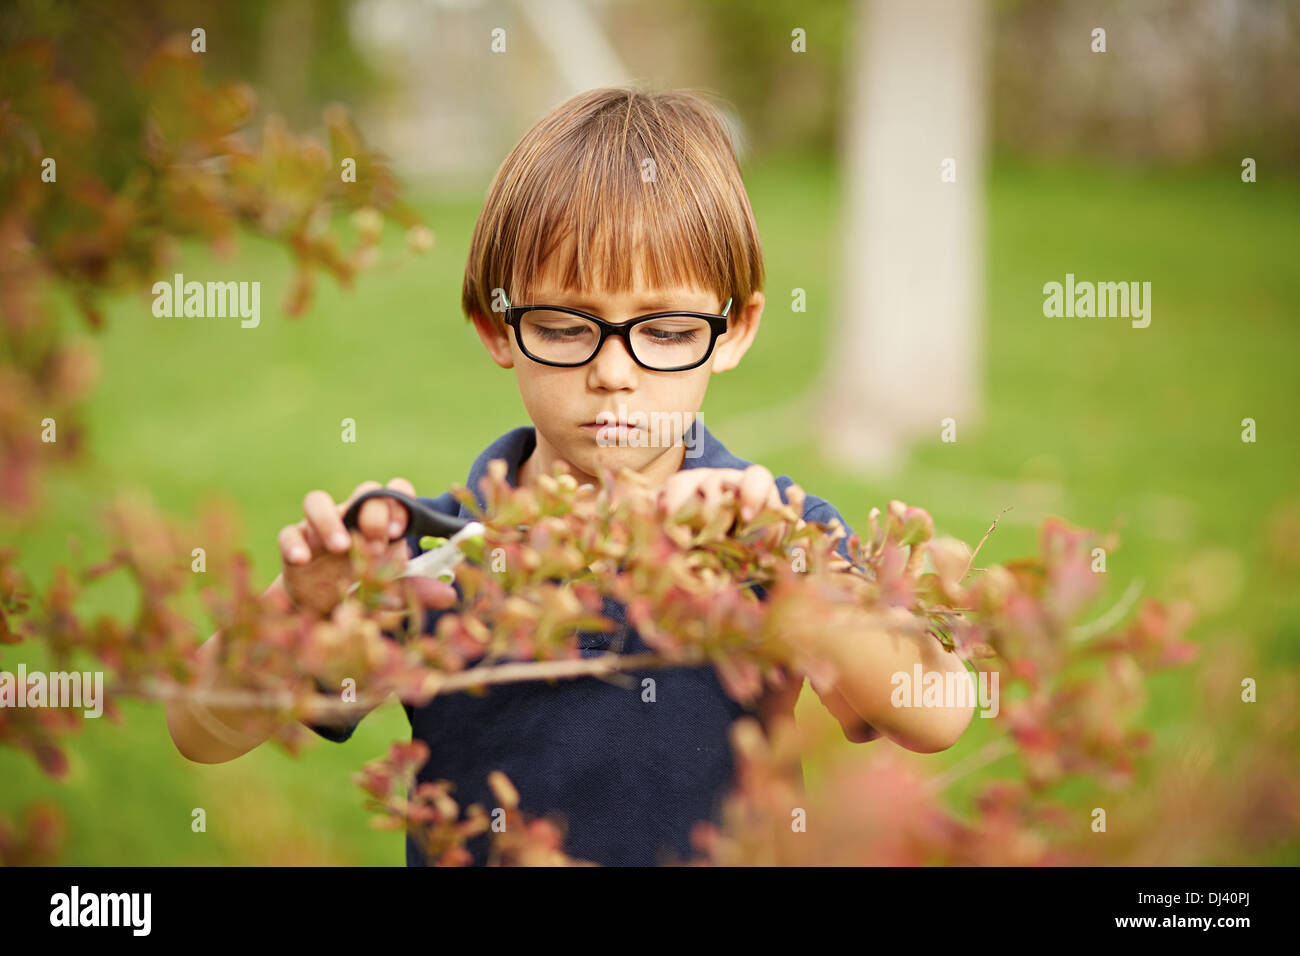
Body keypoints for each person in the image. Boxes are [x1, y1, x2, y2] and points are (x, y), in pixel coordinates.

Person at [165, 86, 973, 866]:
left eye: (664, 330)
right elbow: (202, 732)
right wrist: (293, 615)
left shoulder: (768, 527)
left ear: (734, 331)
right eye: (562, 325)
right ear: (496, 324)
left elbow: (936, 713)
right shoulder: (437, 556)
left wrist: (790, 574)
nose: (614, 373)